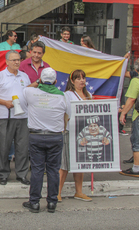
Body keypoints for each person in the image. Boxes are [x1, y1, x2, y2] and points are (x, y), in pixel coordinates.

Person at [22, 67, 70, 213]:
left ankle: (34, 202)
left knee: (37, 169)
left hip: (36, 135)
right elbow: (68, 116)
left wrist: (37, 82)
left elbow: (25, 89)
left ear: (41, 80)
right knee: (53, 170)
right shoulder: (63, 97)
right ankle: (52, 202)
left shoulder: (31, 93)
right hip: (55, 136)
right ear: (55, 81)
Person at [0, 50, 31, 185]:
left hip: (23, 116)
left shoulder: (24, 76)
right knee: (4, 147)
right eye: (14, 60)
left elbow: (29, 93)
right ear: (7, 62)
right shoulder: (0, 76)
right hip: (5, 117)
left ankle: (22, 174)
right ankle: (3, 174)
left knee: (22, 147)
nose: (17, 62)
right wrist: (4, 103)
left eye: (18, 59)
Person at [58, 69, 93, 202]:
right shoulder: (68, 94)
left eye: (83, 78)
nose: (82, 80)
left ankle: (79, 191)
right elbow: (65, 112)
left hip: (84, 133)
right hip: (70, 131)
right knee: (64, 164)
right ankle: (58, 192)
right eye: (78, 78)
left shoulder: (88, 94)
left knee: (80, 163)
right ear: (72, 81)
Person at [119, 58, 139, 177]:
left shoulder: (136, 81)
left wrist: (123, 113)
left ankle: (136, 168)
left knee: (136, 142)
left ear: (136, 69)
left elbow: (131, 100)